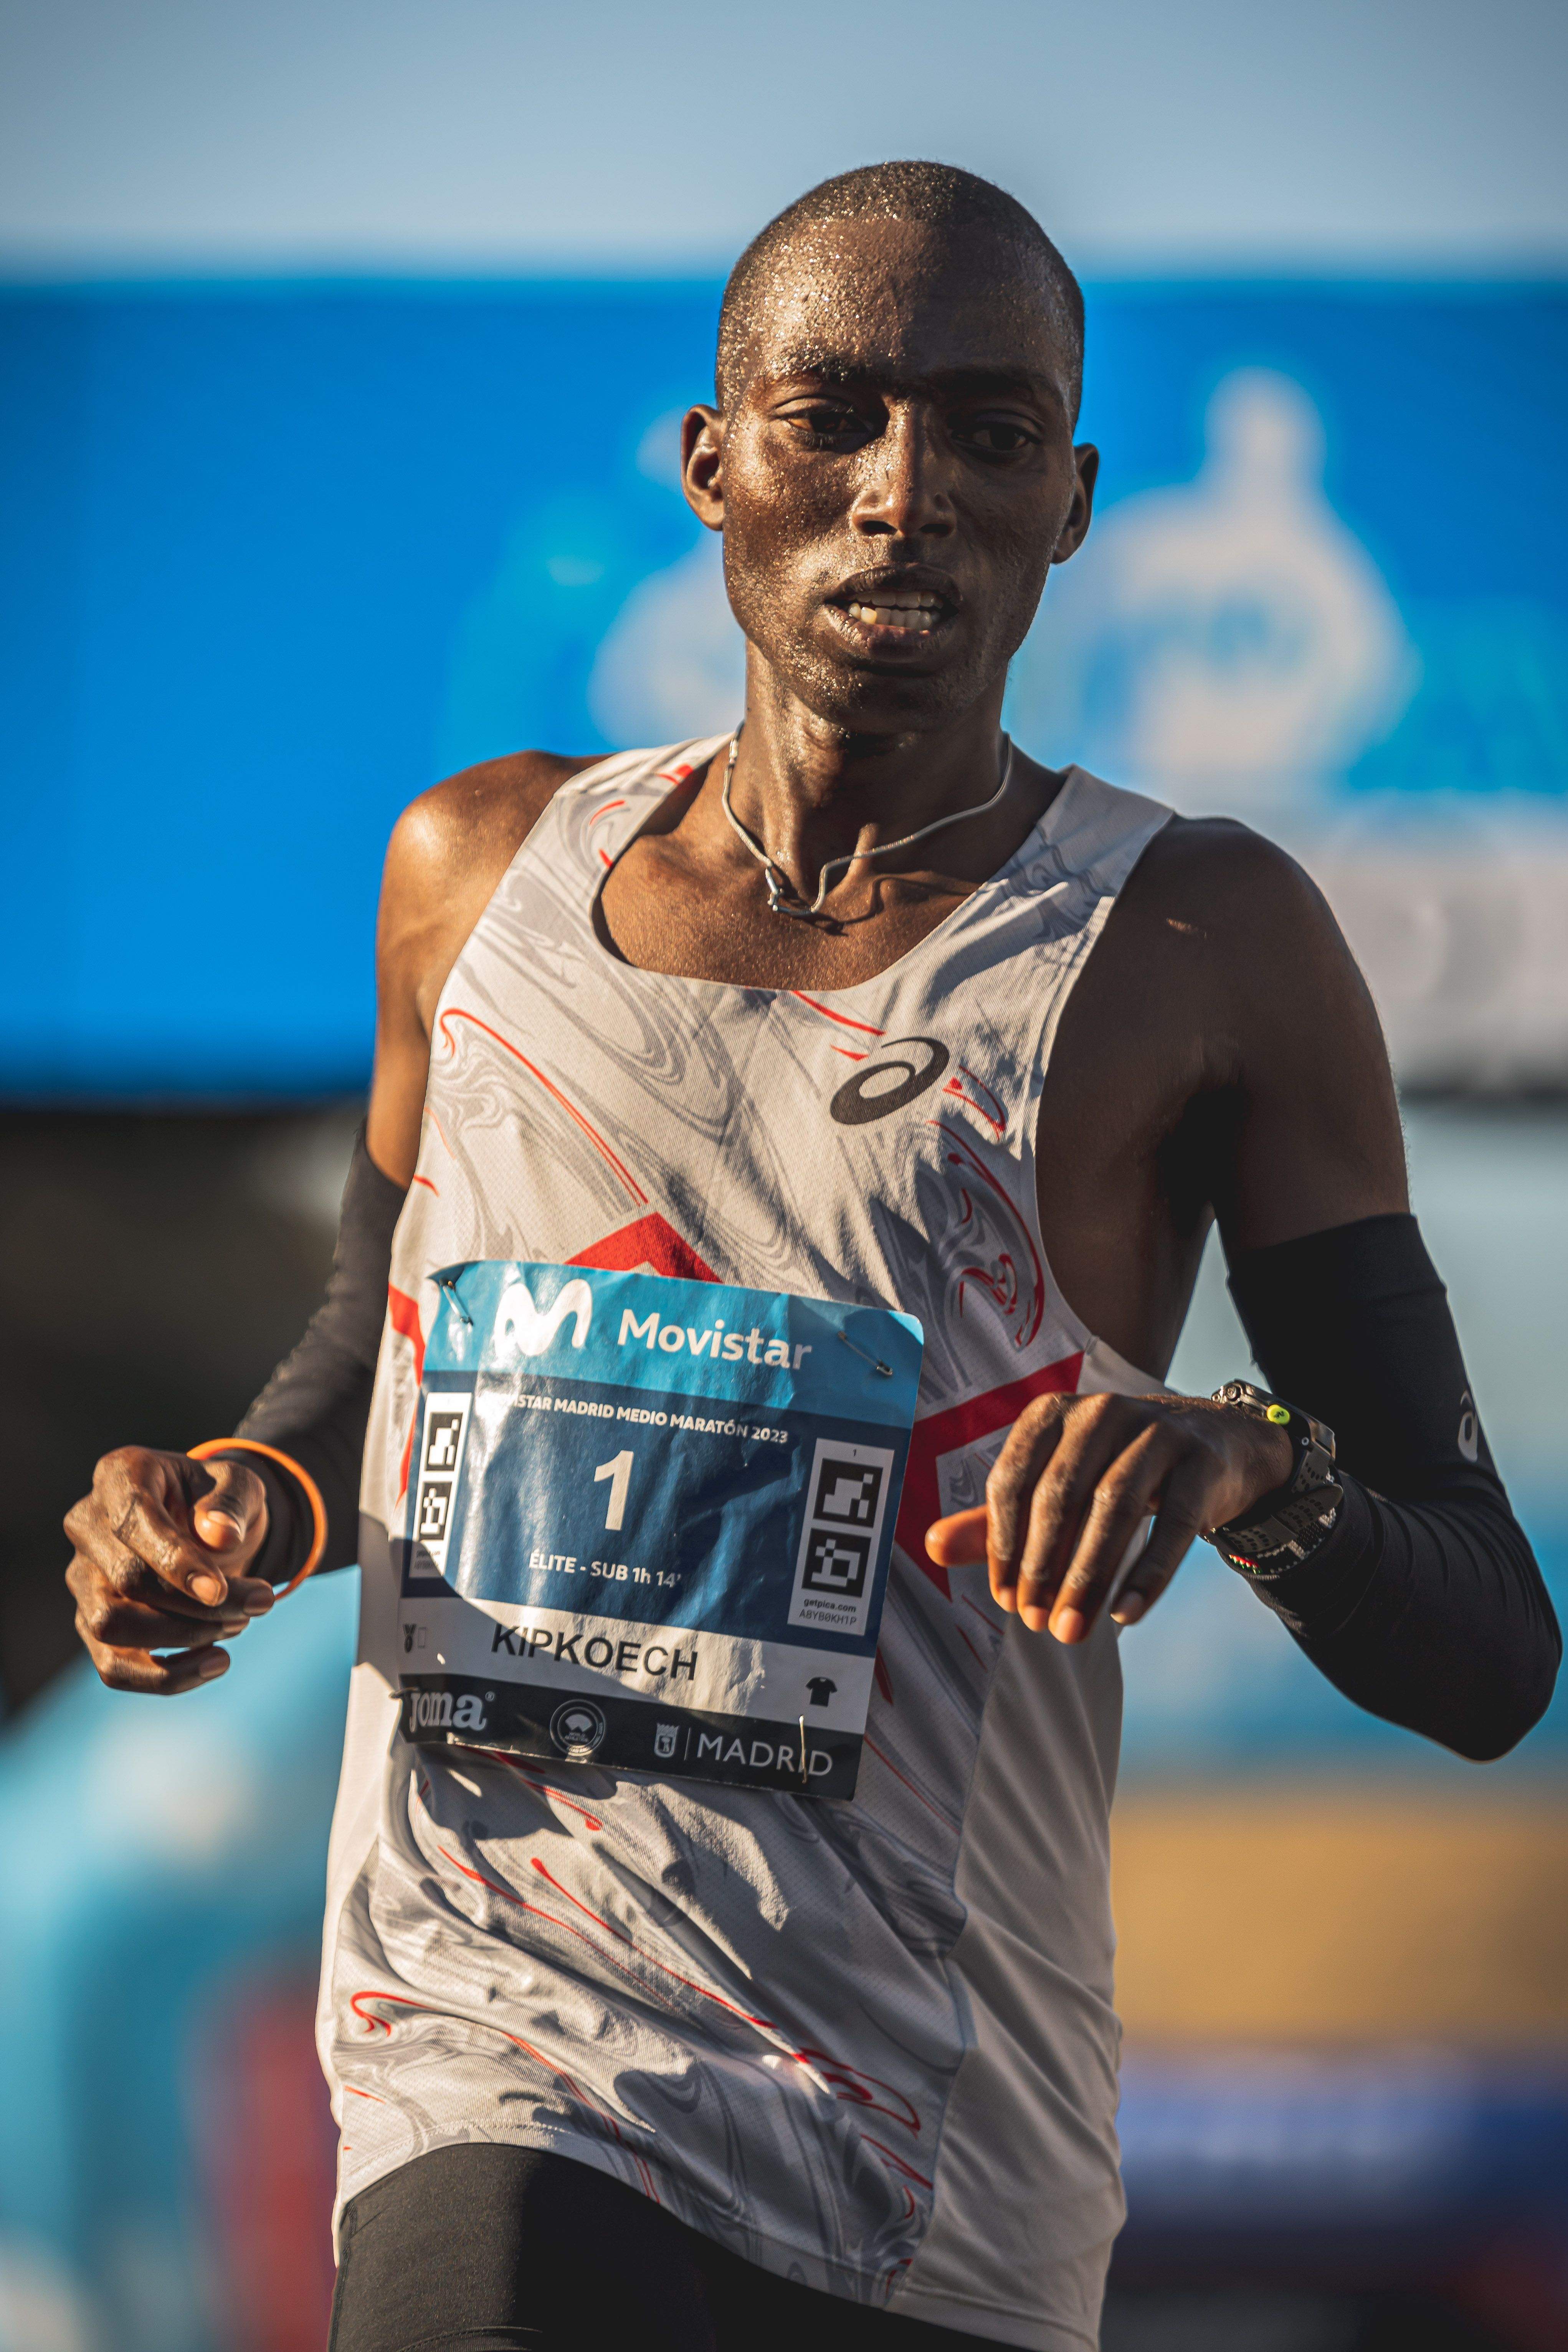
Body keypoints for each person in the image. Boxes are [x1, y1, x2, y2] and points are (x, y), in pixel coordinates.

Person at [64, 163, 1558, 2352]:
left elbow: (1486, 1646)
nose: (900, 494)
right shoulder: (472, 874)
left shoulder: (1196, 945)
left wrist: (1244, 1469)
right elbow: (366, 1349)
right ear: (710, 463)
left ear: (1071, 497)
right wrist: (244, 1509)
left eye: (982, 429)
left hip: (927, 2148)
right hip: (494, 2043)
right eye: (829, 416)